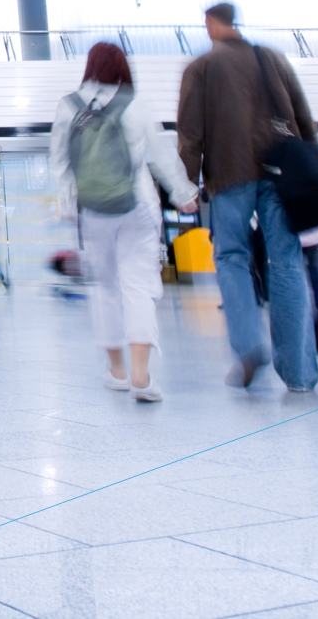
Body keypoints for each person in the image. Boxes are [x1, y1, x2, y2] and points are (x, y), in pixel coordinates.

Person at [177, 2, 318, 393]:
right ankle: (300, 374)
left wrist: (186, 185)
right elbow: (303, 117)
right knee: (287, 262)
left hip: (229, 174)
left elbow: (190, 134)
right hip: (281, 174)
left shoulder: (201, 68)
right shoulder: (271, 58)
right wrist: (314, 170)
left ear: (211, 24)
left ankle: (248, 344)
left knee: (231, 257)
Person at [50, 42, 192, 400]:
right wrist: (182, 193)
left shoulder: (69, 107)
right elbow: (161, 155)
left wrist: (69, 205)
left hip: (93, 210)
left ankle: (117, 371)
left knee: (106, 289)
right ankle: (142, 376)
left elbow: (60, 163)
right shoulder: (135, 103)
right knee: (138, 286)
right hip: (138, 204)